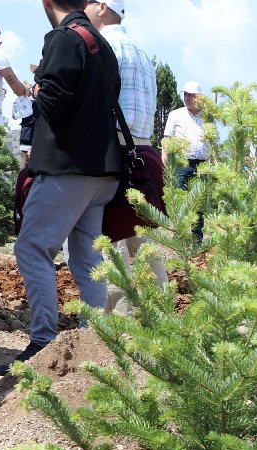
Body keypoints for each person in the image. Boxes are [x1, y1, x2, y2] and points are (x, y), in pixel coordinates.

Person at [0, 0, 122, 376]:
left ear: (46, 2)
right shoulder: (101, 45)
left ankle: (42, 342)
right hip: (103, 171)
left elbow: (52, 100)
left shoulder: (62, 39)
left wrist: (35, 88)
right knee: (87, 259)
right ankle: (95, 340)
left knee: (33, 247)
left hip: (67, 168)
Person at [84, 0, 168, 294]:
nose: (84, 9)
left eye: (88, 3)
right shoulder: (141, 53)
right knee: (141, 232)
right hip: (142, 148)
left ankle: (113, 317)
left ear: (103, 7)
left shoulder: (102, 46)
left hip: (114, 146)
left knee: (110, 233)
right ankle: (161, 304)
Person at [163, 80, 206, 189]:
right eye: (185, 94)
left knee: (200, 202)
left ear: (199, 97)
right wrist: (166, 168)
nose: (186, 97)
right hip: (181, 166)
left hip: (203, 167)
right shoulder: (175, 115)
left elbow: (213, 145)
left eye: (190, 95)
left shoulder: (207, 118)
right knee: (179, 200)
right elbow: (166, 143)